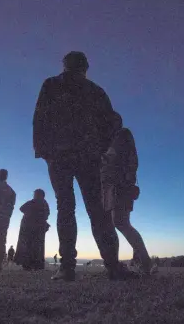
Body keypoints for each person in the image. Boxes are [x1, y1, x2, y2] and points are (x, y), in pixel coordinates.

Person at [33, 51, 131, 281]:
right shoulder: (95, 91)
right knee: (96, 211)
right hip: (85, 157)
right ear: (85, 67)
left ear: (65, 65)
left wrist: (44, 151)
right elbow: (112, 123)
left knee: (67, 207)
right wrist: (102, 150)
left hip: (63, 156)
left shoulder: (53, 84)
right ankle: (112, 266)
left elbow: (40, 119)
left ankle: (67, 267)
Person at [101, 112, 155, 275]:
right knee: (117, 223)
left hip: (119, 185)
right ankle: (137, 262)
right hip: (114, 185)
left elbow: (117, 159)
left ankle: (145, 262)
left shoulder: (122, 135)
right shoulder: (116, 137)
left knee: (120, 222)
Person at [14, 189, 51, 271]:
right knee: (37, 246)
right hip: (38, 228)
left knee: (28, 245)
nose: (33, 195)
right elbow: (47, 214)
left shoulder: (33, 202)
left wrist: (31, 214)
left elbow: (22, 208)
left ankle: (28, 264)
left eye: (34, 194)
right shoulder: (44, 204)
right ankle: (36, 265)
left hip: (29, 227)